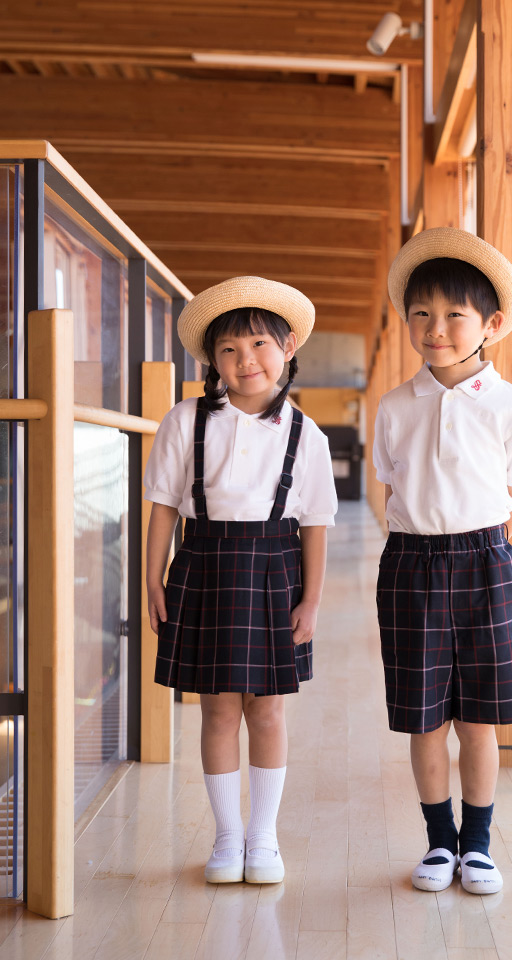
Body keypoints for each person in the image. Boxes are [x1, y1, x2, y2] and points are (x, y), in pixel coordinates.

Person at [144, 276, 337, 885]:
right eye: (229, 349)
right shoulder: (184, 421)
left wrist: (312, 598)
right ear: (212, 361)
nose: (245, 359)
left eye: (259, 343)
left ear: (287, 351)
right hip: (203, 566)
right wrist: (152, 580)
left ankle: (264, 838)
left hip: (277, 570)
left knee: (270, 712)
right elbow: (162, 507)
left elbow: (317, 522)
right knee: (218, 711)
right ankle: (227, 839)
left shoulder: (307, 434)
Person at [374, 228, 512, 895]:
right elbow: (394, 484)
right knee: (424, 716)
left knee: (480, 717)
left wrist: (476, 548)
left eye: (454, 315)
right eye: (421, 313)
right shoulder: (394, 407)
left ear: (490, 325)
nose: (435, 328)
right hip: (410, 566)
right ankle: (438, 842)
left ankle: (477, 845)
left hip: (485, 563)